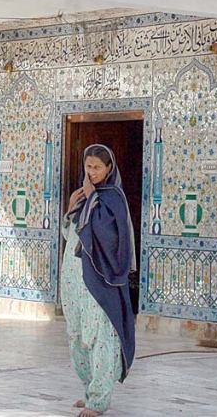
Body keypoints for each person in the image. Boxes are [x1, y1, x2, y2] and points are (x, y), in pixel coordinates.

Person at [61, 144, 136, 417]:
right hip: (74, 279)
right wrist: (72, 208)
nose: (91, 172)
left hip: (98, 279)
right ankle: (89, 389)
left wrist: (92, 200)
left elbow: (109, 235)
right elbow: (71, 234)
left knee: (99, 336)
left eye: (96, 167)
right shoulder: (83, 196)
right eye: (88, 166)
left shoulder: (113, 197)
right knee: (78, 335)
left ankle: (99, 400)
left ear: (108, 169)